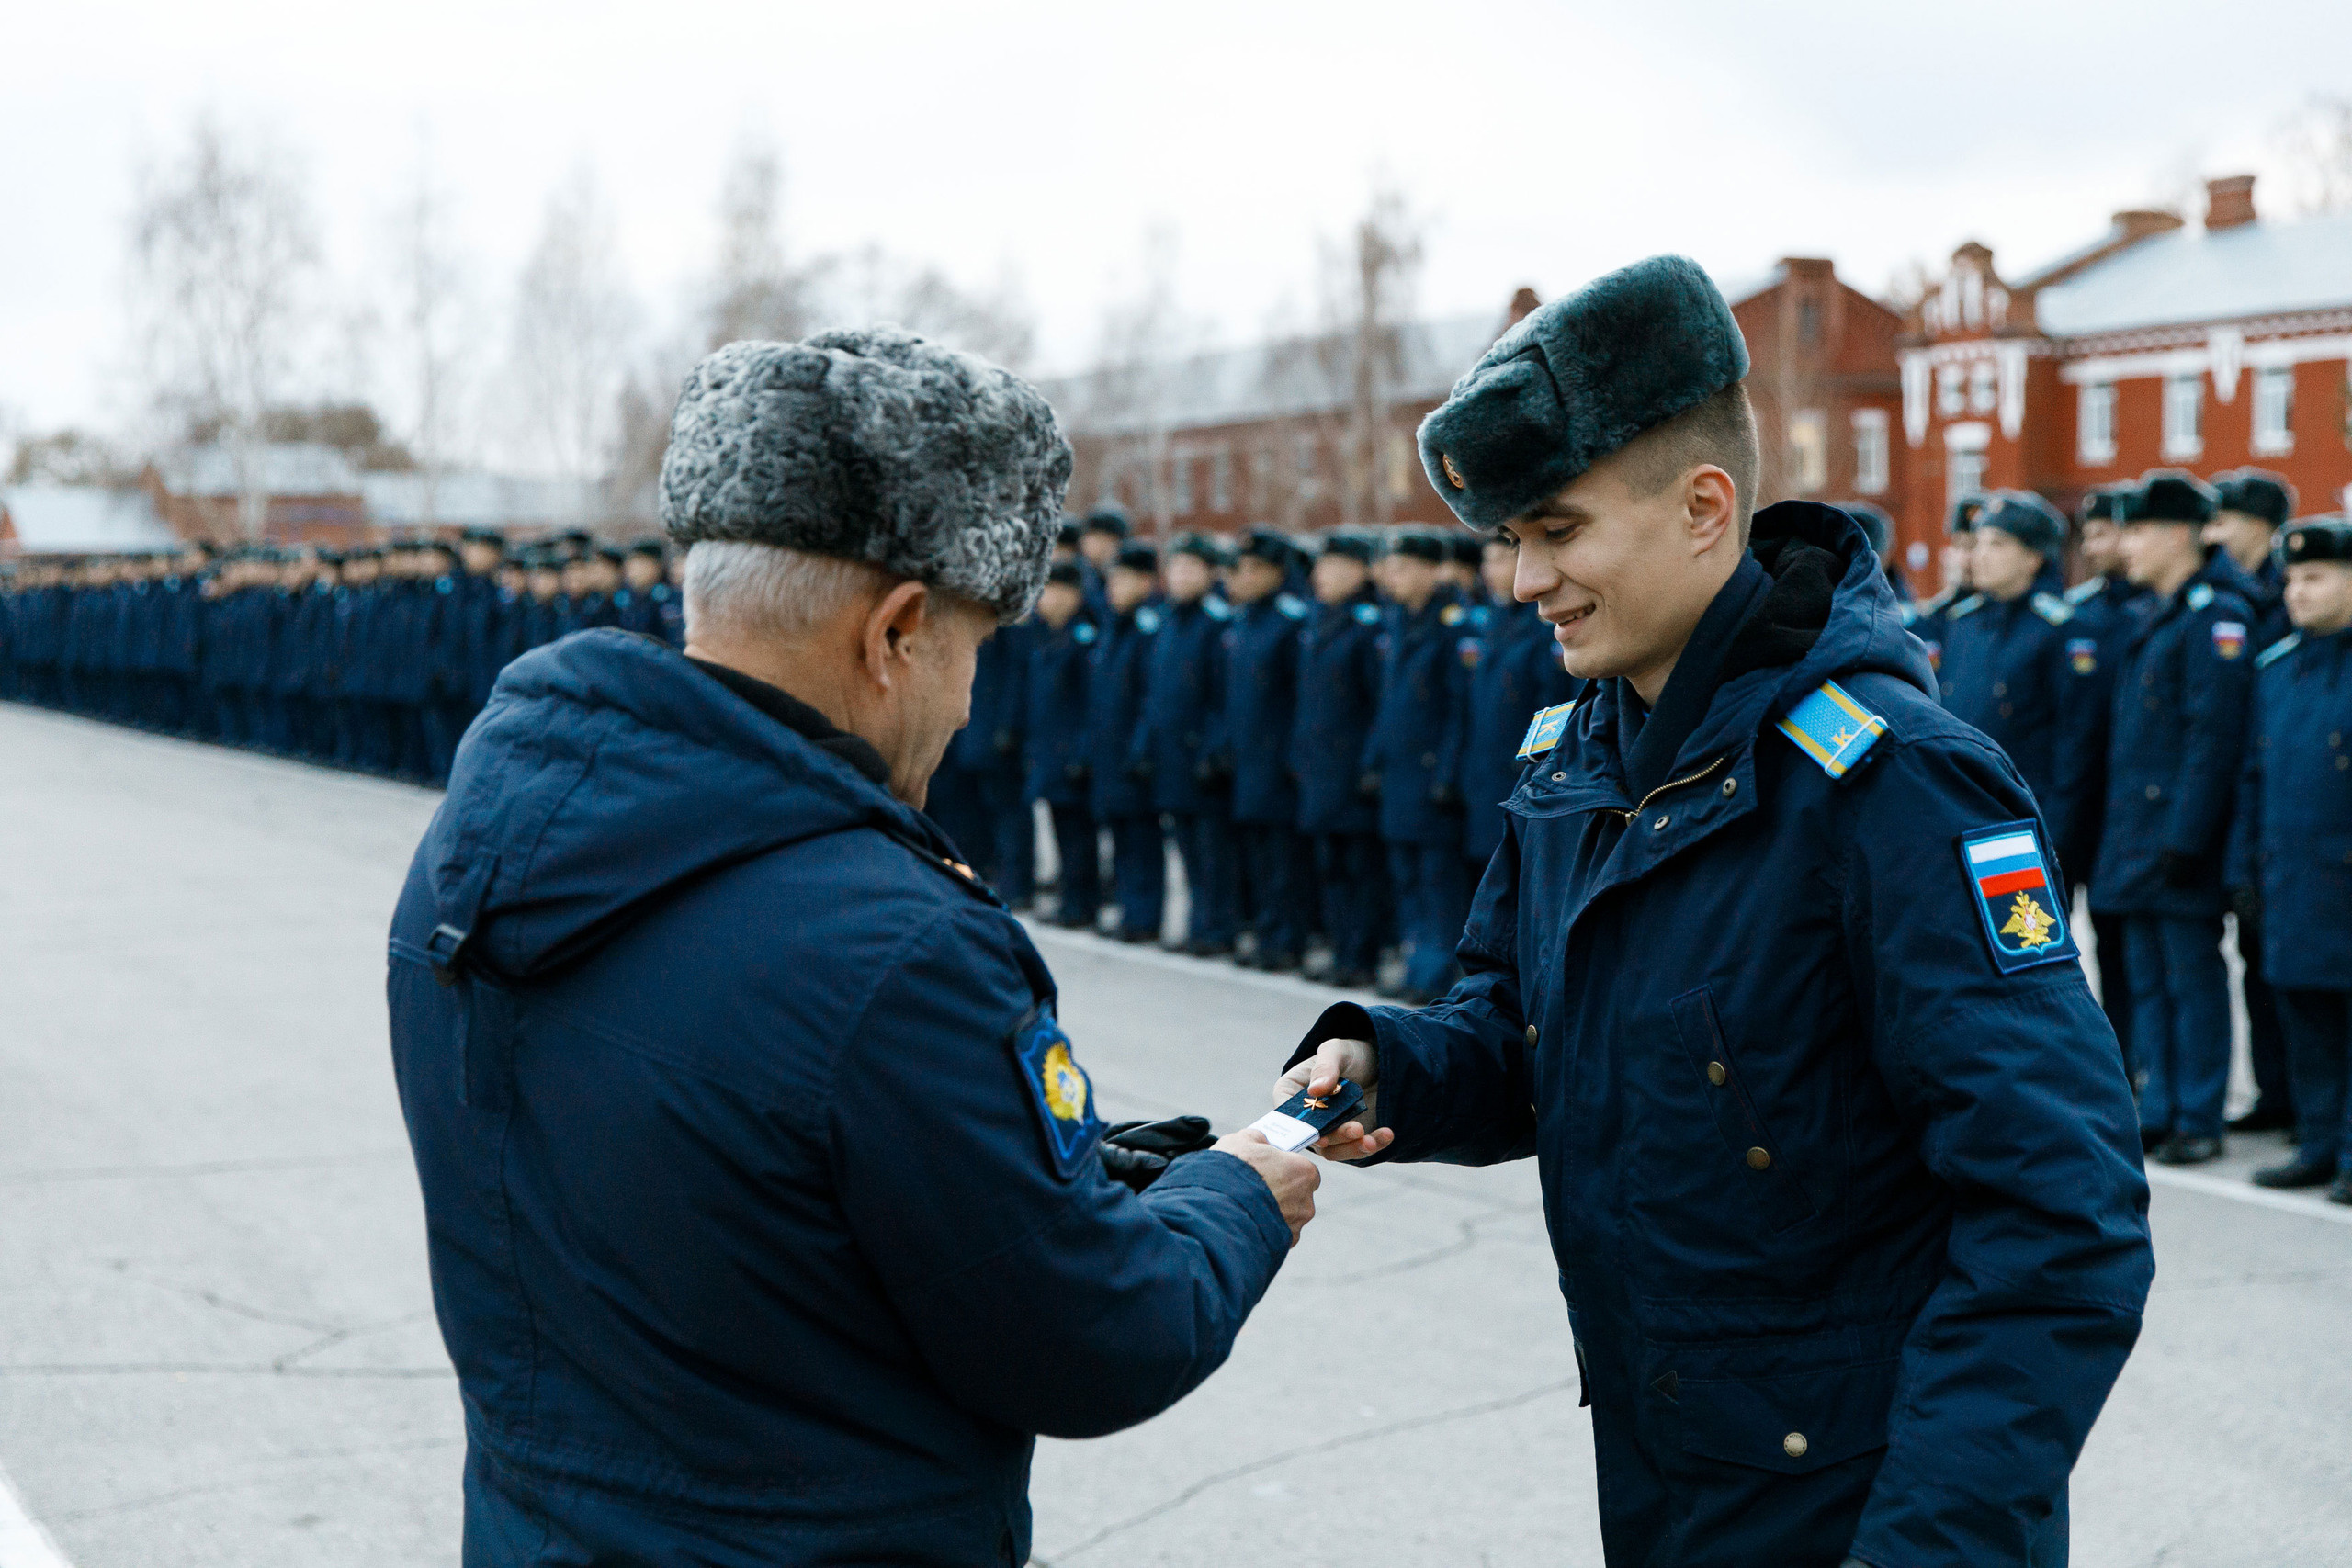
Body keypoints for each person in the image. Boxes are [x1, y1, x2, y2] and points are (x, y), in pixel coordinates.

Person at [387, 330, 1319, 1568]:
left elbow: (734, 1183)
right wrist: (1238, 1195)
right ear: (897, 632)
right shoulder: (895, 946)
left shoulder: (485, 848)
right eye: (973, 649)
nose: (969, 699)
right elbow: (1097, 1335)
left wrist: (1058, 1168)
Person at [1276, 255, 2151, 1568]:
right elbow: (1520, 1029)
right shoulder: (1578, 760)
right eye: (1508, 539)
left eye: (1558, 531)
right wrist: (1387, 1061)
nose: (1521, 580)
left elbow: (2063, 1212)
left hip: (1866, 1510)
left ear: (1702, 507)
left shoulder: (1894, 781)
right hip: (1669, 1475)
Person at [2091, 470, 2256, 1166]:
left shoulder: (2215, 615)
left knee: (2191, 981)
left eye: (2139, 531)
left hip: (2176, 839)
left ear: (2180, 535)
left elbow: (2211, 739)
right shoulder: (2151, 613)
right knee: (2147, 979)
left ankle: (2198, 1112)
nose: (2126, 545)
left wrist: (2187, 837)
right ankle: (2157, 1107)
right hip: (2133, 834)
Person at [2229, 515, 2352, 1202]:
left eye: (2315, 577)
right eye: (2292, 579)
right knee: (2305, 1017)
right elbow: (2252, 774)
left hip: (2344, 870)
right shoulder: (2276, 667)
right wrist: (2241, 867)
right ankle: (2318, 1142)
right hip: (2292, 873)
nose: (2297, 593)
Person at [1936, 491, 2101, 875]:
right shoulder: (1962, 623)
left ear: (2033, 556)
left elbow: (2076, 744)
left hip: (2025, 820)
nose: (1980, 554)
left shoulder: (2060, 630)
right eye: (1977, 543)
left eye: (1997, 544)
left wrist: (2054, 834)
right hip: (1957, 812)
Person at [2208, 468, 2298, 1134]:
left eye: (2230, 518)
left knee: (2289, 965)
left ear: (2263, 527)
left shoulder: (2282, 593)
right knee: (2252, 960)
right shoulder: (2217, 593)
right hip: (2237, 791)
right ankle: (2273, 1092)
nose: (2218, 530)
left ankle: (2304, 1102)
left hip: (2279, 782)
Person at [1363, 528, 1470, 1004]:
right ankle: (1415, 964)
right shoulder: (1398, 621)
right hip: (1399, 774)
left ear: (1431, 570)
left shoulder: (1452, 625)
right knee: (1405, 876)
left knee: (1436, 883)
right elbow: (1388, 704)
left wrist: (1446, 773)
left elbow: (1457, 708)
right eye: (1391, 567)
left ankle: (1435, 972)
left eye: (1404, 567)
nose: (1393, 576)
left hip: (1430, 777)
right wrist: (1374, 759)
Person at [1293, 532, 1389, 988]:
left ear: (1359, 571)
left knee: (1361, 870)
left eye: (1332, 567)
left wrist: (1371, 764)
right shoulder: (1317, 622)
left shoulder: (1369, 626)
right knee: (1329, 867)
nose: (1320, 577)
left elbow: (1380, 703)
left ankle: (1360, 955)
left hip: (1353, 772)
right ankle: (1340, 950)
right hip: (1320, 771)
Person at [1456, 531, 1578, 878]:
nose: (1488, 571)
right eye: (1486, 562)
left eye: (1499, 561)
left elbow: (1556, 704)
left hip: (1526, 774)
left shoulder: (1545, 626)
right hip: (1485, 769)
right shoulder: (1486, 621)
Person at [1220, 528, 1313, 970]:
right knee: (1255, 857)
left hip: (1278, 762)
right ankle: (1264, 933)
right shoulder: (1242, 621)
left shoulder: (1290, 622)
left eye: (1255, 568)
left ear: (1277, 573)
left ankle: (1284, 940)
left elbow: (1302, 699)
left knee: (1283, 862)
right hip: (1247, 761)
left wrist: (1293, 757)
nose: (1244, 577)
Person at [1087, 540, 1166, 942]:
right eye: (1111, 580)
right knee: (1119, 837)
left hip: (1134, 756)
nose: (1113, 588)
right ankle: (1129, 911)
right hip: (1109, 752)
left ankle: (1143, 916)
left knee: (1141, 841)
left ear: (1146, 582)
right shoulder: (1112, 629)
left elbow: (1152, 698)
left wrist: (1140, 749)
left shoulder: (1146, 630)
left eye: (1123, 580)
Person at [1023, 560, 1101, 928]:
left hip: (1072, 758)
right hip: (1050, 754)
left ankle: (1082, 904)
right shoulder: (1047, 636)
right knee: (1061, 830)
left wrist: (1083, 754)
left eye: (1050, 590)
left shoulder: (1083, 638)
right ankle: (1071, 900)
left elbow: (1092, 704)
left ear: (1071, 595)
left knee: (1078, 837)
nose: (1043, 600)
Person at [1901, 494, 1982, 678]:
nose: (1964, 558)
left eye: (1974, 546)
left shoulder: (2002, 618)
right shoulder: (1932, 618)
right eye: (1959, 545)